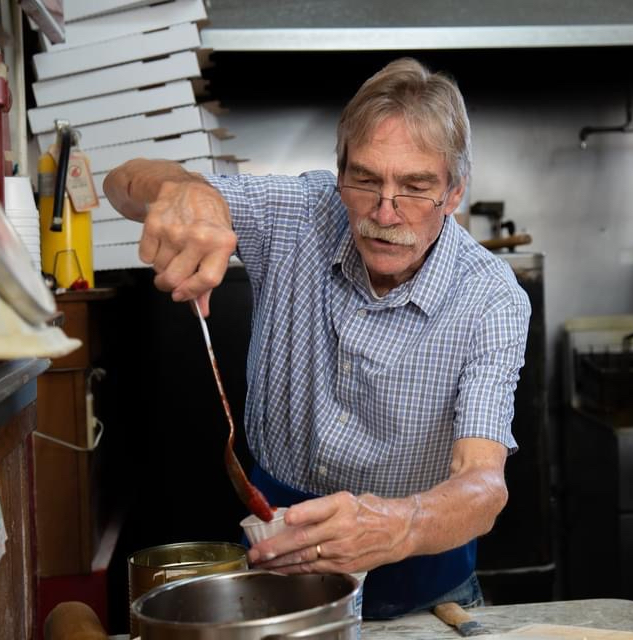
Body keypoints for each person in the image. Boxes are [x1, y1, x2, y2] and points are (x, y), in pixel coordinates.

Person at [103, 58, 531, 619]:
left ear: (454, 193)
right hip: (278, 585)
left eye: (416, 187)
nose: (384, 211)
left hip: (428, 597)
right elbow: (120, 182)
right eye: (365, 180)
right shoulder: (298, 212)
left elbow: (483, 485)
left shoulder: (492, 297)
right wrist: (185, 190)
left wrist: (399, 526)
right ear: (339, 173)